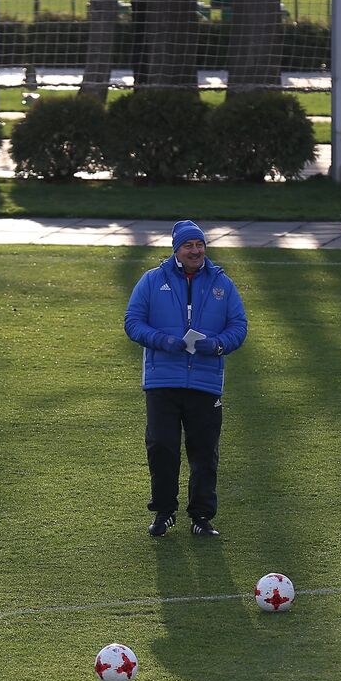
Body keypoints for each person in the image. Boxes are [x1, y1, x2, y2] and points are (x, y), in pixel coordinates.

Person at [124, 220, 247, 537]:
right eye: (189, 245)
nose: (196, 250)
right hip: (162, 382)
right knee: (162, 447)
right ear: (176, 249)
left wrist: (217, 344)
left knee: (204, 451)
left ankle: (202, 517)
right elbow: (133, 322)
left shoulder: (223, 284)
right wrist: (161, 340)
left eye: (200, 245)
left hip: (205, 383)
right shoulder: (152, 281)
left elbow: (238, 326)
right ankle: (164, 513)